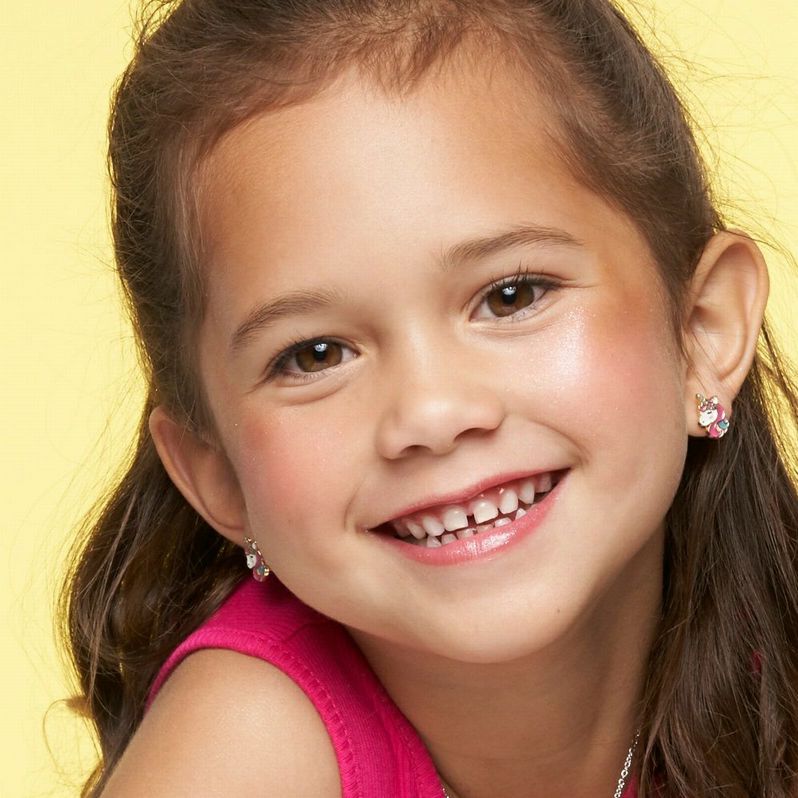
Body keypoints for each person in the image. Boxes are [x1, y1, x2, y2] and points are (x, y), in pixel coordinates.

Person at [60, 1, 798, 796]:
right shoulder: (242, 752)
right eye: (315, 355)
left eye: (512, 296)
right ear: (217, 477)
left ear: (703, 330)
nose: (432, 414)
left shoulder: (770, 669)